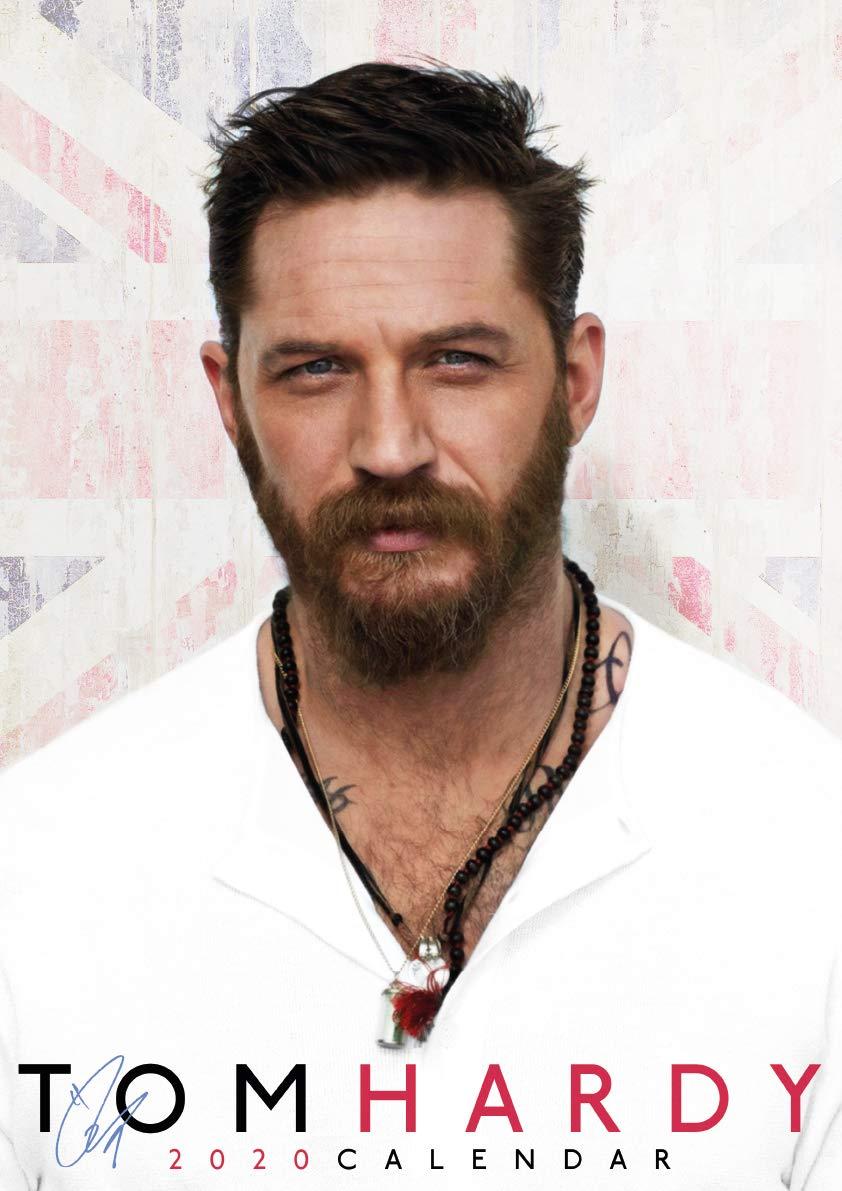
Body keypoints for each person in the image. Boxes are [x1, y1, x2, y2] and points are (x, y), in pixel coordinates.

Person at [1, 61, 840, 1191]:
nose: (389, 445)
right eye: (315, 369)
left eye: (456, 361)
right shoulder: (41, 873)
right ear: (229, 399)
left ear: (574, 379)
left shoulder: (807, 854)